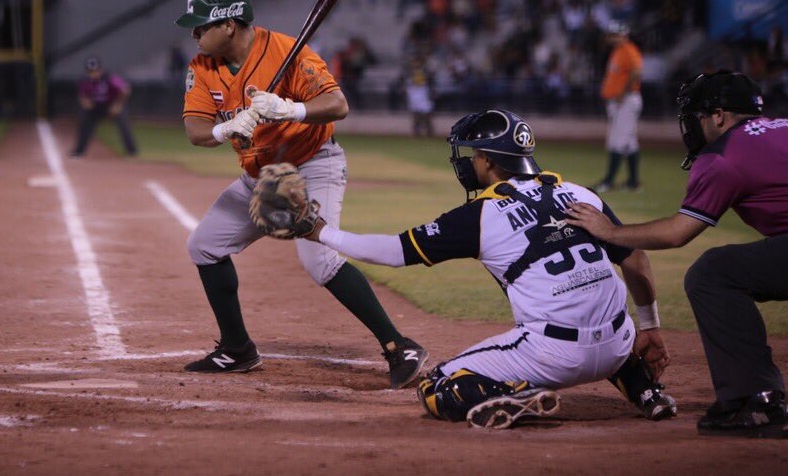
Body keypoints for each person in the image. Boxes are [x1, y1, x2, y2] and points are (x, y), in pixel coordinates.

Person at [278, 110, 675, 429]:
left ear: (487, 161)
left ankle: (519, 397)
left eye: (472, 155)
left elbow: (395, 251)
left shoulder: (482, 215)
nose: (469, 163)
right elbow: (636, 258)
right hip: (619, 344)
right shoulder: (579, 193)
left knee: (436, 388)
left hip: (554, 355)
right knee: (606, 330)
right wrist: (651, 327)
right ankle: (646, 393)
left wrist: (321, 232)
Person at [175, 0, 428, 387]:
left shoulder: (286, 51)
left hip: (314, 164)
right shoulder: (202, 66)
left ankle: (399, 346)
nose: (194, 33)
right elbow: (195, 130)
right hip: (261, 173)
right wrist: (228, 130)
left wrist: (289, 108)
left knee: (319, 258)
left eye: (201, 25)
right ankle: (238, 349)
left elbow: (337, 104)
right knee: (204, 245)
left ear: (228, 25)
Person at [567, 71, 788, 438]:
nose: (693, 126)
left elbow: (677, 233)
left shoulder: (723, 155)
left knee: (712, 274)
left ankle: (755, 401)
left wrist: (609, 231)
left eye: (698, 116)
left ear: (717, 116)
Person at [593, 23, 642, 193]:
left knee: (617, 141)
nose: (611, 38)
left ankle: (608, 181)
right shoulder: (618, 51)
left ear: (623, 34)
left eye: (614, 35)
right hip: (622, 101)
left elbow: (636, 72)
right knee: (630, 143)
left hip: (626, 101)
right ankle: (633, 183)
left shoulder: (628, 50)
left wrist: (623, 92)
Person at [69, 57, 138, 158]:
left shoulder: (109, 78)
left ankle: (132, 151)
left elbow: (126, 89)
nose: (93, 74)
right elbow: (82, 96)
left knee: (124, 124)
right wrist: (86, 103)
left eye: (95, 71)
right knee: (84, 121)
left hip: (112, 105)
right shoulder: (85, 81)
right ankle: (79, 151)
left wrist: (117, 105)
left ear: (100, 70)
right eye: (90, 72)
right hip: (96, 107)